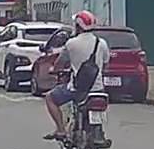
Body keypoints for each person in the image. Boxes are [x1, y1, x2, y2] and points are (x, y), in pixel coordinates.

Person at [43, 10, 109, 140]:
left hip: (78, 89)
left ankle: (61, 130)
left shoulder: (71, 43)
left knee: (50, 98)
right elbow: (106, 64)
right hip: (98, 89)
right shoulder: (101, 43)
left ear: (78, 26)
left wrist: (53, 69)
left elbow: (60, 63)